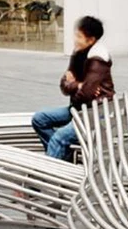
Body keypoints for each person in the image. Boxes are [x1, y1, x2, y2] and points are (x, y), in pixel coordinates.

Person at [32, 16, 115, 160]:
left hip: (94, 114)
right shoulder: (78, 54)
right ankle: (62, 157)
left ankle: (50, 175)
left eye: (79, 36)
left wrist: (77, 87)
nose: (75, 39)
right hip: (77, 109)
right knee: (39, 119)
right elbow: (64, 85)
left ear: (91, 40)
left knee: (58, 138)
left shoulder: (98, 59)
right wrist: (78, 85)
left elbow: (86, 94)